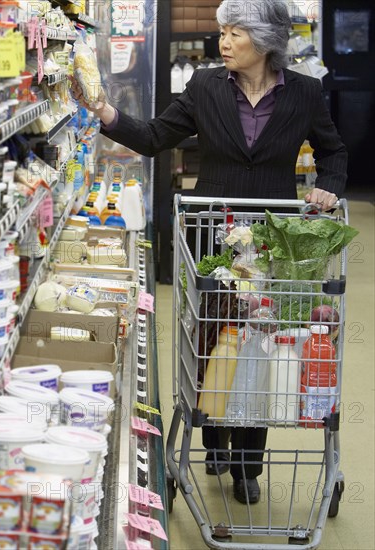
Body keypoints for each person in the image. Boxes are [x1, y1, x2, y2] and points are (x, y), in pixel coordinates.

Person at [71, 0, 348, 505]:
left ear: (265, 41)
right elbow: (156, 137)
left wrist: (328, 186)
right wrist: (104, 112)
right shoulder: (204, 87)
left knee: (258, 344)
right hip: (210, 237)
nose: (223, 41)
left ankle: (248, 464)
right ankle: (212, 437)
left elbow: (333, 152)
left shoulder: (304, 93)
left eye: (235, 32)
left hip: (270, 241)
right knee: (210, 337)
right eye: (222, 31)